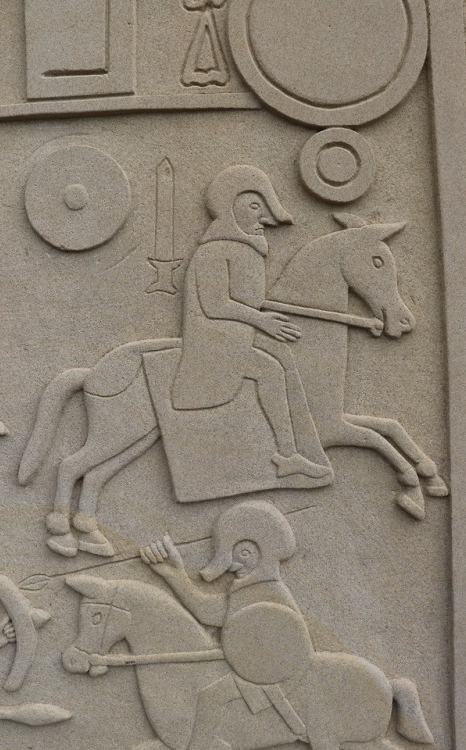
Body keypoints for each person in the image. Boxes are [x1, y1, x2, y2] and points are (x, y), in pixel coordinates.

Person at [171, 165, 331, 481]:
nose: (264, 218)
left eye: (263, 207)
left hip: (235, 338)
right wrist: (261, 321)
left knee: (280, 363)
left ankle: (291, 453)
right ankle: (288, 455)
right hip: (213, 343)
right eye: (254, 206)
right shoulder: (214, 251)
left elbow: (248, 301)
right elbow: (216, 305)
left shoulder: (243, 250)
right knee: (270, 370)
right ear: (230, 210)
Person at [141, 501, 318, 750]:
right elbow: (207, 611)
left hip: (273, 676)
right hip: (256, 668)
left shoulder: (267, 591)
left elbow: (286, 644)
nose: (232, 566)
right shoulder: (248, 589)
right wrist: (173, 574)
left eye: (237, 556)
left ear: (253, 553)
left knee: (210, 697)